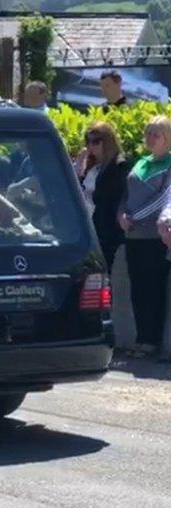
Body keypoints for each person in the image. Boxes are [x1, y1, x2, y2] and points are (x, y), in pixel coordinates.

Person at [118, 116, 171, 358]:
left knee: (153, 289)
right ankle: (140, 338)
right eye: (148, 133)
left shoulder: (169, 164)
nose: (150, 138)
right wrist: (121, 214)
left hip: (154, 237)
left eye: (156, 134)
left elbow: (162, 200)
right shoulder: (140, 163)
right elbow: (125, 195)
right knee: (137, 288)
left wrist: (134, 217)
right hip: (133, 237)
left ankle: (151, 340)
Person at [74, 122, 129, 271]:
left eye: (96, 141)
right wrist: (79, 169)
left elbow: (109, 199)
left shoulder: (119, 167)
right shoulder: (92, 166)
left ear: (108, 142)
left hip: (105, 232)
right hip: (87, 228)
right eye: (88, 141)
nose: (91, 146)